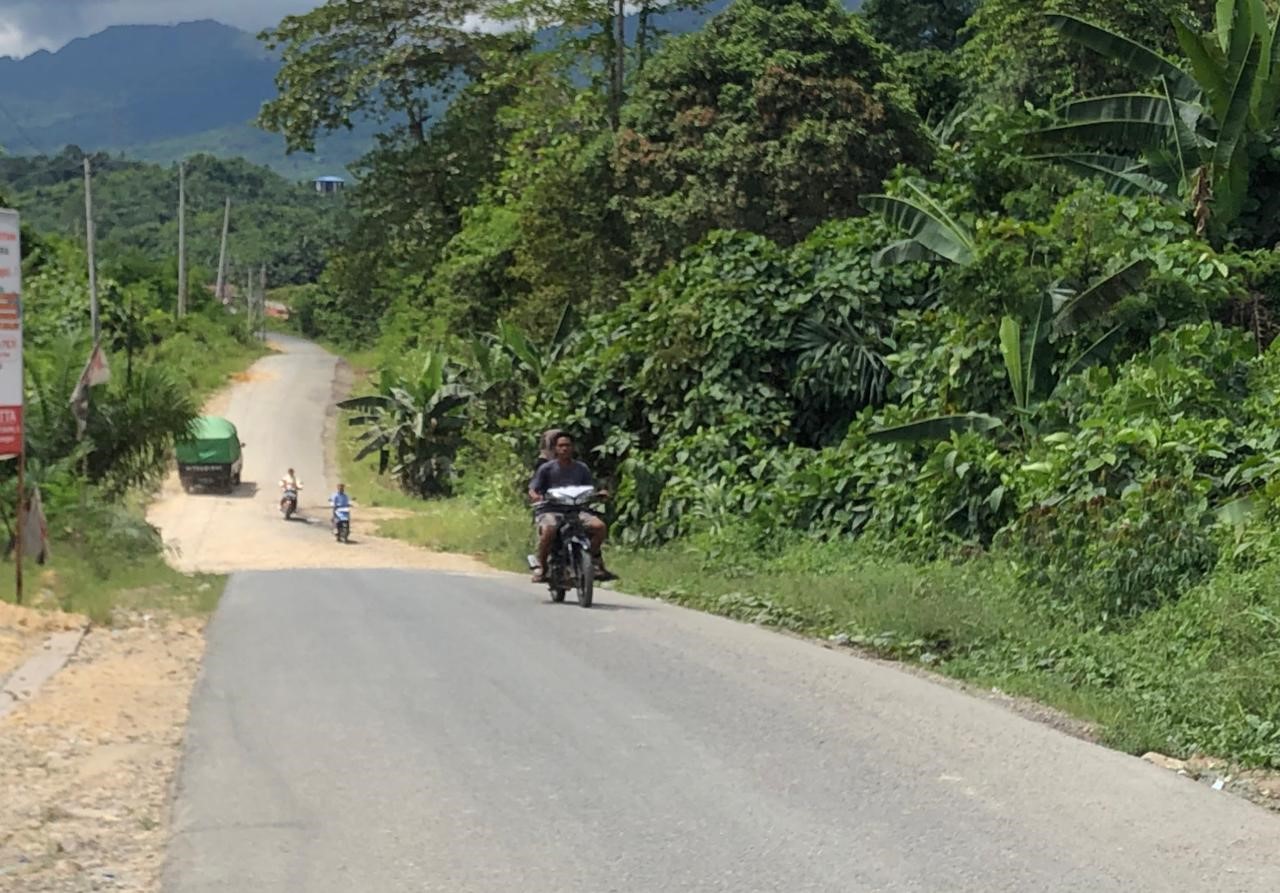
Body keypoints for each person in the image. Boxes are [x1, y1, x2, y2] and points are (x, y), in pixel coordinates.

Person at [528, 432, 614, 583]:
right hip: (551, 509)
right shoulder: (546, 468)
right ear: (555, 448)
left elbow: (589, 488)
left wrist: (598, 494)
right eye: (561, 446)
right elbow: (533, 488)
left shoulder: (581, 468)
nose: (564, 449)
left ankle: (592, 560)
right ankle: (542, 566)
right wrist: (535, 496)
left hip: (577, 510)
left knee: (599, 527)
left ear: (573, 448)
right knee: (549, 530)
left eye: (567, 445)